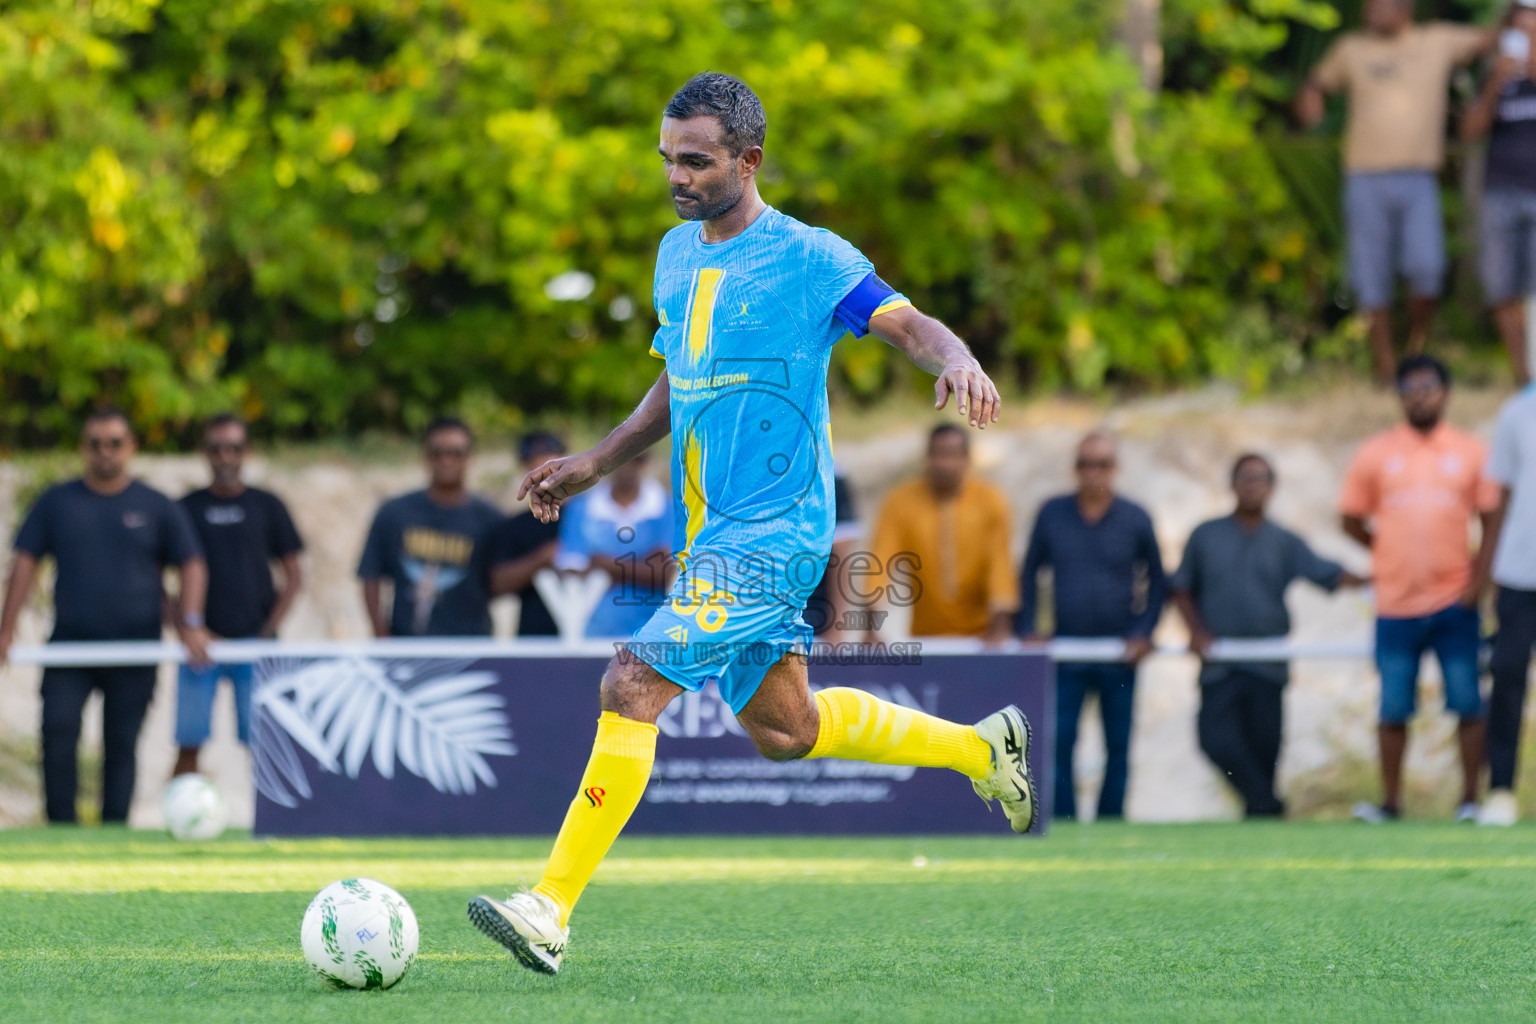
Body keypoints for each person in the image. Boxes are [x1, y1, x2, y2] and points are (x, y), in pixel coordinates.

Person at [467, 72, 1035, 975]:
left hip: (777, 534)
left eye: (696, 162)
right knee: (785, 730)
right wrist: (594, 463)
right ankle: (982, 746)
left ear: (749, 160)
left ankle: (549, 907)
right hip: (711, 532)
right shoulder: (675, 255)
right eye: (668, 161)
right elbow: (677, 380)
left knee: (630, 684)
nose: (677, 178)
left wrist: (959, 358)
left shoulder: (809, 257)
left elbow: (907, 321)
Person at [0, 408, 208, 824]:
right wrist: (6, 630)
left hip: (135, 646)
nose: (105, 452)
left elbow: (192, 562)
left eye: (114, 443)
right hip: (70, 645)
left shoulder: (154, 504)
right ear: (83, 448)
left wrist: (189, 623)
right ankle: (60, 826)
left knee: (122, 742)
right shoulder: (57, 502)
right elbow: (25, 562)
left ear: (130, 447)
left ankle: (114, 830)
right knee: (58, 732)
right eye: (95, 443)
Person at [1339, 355, 1500, 823]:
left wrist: (1477, 583)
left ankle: (1470, 800)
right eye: (1409, 389)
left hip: (1455, 601)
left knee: (1468, 701)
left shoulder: (1471, 452)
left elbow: (1491, 521)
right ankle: (1390, 803)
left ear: (1446, 392)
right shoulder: (1376, 452)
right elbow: (1351, 518)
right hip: (1395, 604)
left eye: (1427, 387)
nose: (1419, 396)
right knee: (1393, 707)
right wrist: (1384, 550)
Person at [1296, 0, 1492, 383]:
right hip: (1364, 178)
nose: (1370, 10)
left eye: (1379, 4)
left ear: (1405, 8)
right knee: (1372, 276)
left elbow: (1491, 38)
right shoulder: (1352, 48)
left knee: (1427, 268)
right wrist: (1310, 103)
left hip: (1419, 179)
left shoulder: (1437, 40)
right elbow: (1317, 83)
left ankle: (1413, 355)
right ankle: (1385, 368)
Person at [1171, 454, 1366, 818]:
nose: (1252, 485)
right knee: (1216, 740)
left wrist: (1382, 573)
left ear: (1272, 487)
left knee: (1264, 750)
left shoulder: (1284, 540)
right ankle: (1266, 803)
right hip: (1220, 664)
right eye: (1245, 478)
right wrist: (1196, 632)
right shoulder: (1206, 535)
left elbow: (1326, 573)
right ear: (1232, 485)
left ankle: (1260, 817)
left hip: (1267, 666)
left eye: (1260, 479)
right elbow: (1180, 587)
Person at [1017, 431, 1166, 821]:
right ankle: (1064, 822)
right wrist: (1030, 627)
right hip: (1066, 652)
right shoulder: (1052, 513)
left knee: (1118, 746)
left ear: (1115, 469)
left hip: (1120, 655)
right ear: (1076, 468)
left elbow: (1158, 578)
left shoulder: (1134, 517)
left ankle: (1110, 824)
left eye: (1102, 464)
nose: (1093, 472)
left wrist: (1144, 632)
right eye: (1086, 463)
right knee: (1058, 742)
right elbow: (1030, 571)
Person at [173, 414, 304, 777]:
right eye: (216, 448)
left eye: (234, 448)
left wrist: (268, 629)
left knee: (266, 744)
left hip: (255, 644)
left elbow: (293, 575)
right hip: (201, 647)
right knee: (189, 742)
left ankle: (277, 824)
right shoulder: (185, 508)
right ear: (204, 453)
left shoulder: (268, 506)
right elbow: (156, 577)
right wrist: (186, 628)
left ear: (247, 452)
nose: (225, 457)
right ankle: (177, 817)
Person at [869, 424, 1018, 642]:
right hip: (925, 637)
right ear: (926, 457)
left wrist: (1000, 627)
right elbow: (878, 564)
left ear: (967, 458)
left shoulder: (990, 501)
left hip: (982, 636)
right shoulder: (900, 502)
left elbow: (1000, 565)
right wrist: (870, 628)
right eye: (937, 454)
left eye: (952, 455)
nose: (944, 464)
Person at [358, 416, 501, 638]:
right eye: (437, 452)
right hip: (408, 644)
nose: (446, 460)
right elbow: (370, 575)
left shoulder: (489, 518)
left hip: (471, 645)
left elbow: (500, 582)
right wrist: (380, 635)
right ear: (425, 457)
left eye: (456, 453)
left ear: (470, 457)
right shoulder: (395, 512)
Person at [1462, 0, 1536, 385]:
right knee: (1502, 287)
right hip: (1500, 193)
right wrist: (1495, 82)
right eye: (1519, 31)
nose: (1526, 39)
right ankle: (1524, 378)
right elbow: (1471, 132)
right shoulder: (1495, 75)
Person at [1474, 384, 1536, 825]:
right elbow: (1503, 498)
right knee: (1508, 673)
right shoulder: (1517, 409)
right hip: (1520, 571)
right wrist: (1490, 570)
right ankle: (1500, 791)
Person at [553, 453, 674, 638]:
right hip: (590, 637)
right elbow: (570, 571)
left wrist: (606, 565)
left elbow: (666, 573)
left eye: (635, 458)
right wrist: (642, 565)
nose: (626, 466)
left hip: (654, 638)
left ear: (644, 462)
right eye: (618, 459)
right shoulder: (580, 508)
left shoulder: (668, 507)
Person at [487, 432, 567, 637]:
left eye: (551, 464)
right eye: (536, 466)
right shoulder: (515, 526)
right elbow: (497, 582)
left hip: (596, 634)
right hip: (536, 637)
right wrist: (541, 559)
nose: (544, 473)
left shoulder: (589, 516)